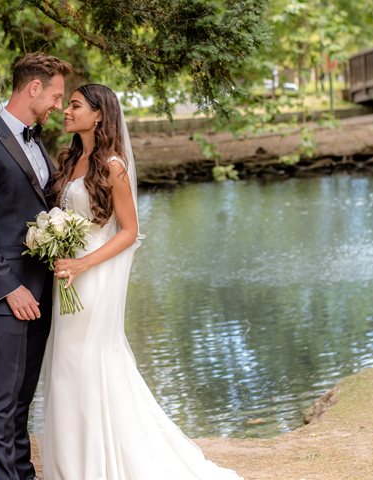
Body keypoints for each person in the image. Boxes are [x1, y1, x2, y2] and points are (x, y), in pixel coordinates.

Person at [37, 84, 243, 479]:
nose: (66, 111)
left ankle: (103, 465)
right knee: (65, 366)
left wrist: (84, 265)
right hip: (67, 272)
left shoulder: (112, 165)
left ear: (99, 115)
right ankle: (71, 466)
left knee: (88, 363)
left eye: (75, 106)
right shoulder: (69, 159)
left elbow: (129, 231)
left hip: (93, 276)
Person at [0, 52, 72, 480]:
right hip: (7, 295)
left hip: (41, 291)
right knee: (3, 398)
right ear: (34, 88)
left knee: (23, 398)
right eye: (56, 96)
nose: (58, 106)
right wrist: (9, 288)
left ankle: (23, 474)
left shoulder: (33, 139)